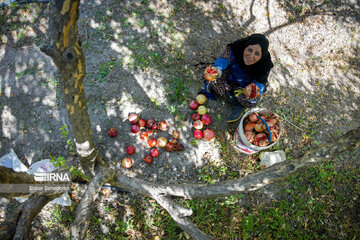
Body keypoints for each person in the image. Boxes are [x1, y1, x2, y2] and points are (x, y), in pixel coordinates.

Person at [200, 33, 274, 123]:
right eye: (249, 50)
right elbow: (222, 62)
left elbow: (259, 85)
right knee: (213, 79)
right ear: (245, 46)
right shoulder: (236, 47)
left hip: (245, 85)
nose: (251, 56)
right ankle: (218, 91)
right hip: (231, 76)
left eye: (257, 54)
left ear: (262, 56)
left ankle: (240, 106)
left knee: (252, 100)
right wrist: (217, 71)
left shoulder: (265, 65)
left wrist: (252, 93)